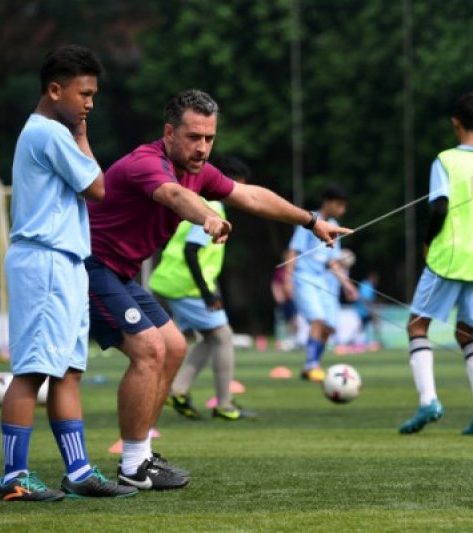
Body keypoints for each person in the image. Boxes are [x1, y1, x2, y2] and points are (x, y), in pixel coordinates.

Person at [86, 89, 349, 491]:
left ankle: (140, 458)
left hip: (121, 273)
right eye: (194, 137)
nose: (203, 147)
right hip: (90, 266)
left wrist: (312, 222)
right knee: (150, 349)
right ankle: (132, 463)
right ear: (169, 132)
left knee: (173, 347)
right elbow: (175, 195)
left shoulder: (199, 170)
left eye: (210, 138)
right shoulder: (147, 163)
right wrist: (208, 215)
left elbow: (250, 196)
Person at [0, 44, 136, 501]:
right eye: (84, 93)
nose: (89, 103)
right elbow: (97, 186)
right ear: (55, 90)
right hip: (45, 260)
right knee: (33, 370)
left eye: (93, 94)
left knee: (68, 370)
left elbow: (91, 181)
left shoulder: (54, 132)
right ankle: (14, 478)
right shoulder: (49, 134)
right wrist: (80, 131)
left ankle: (78, 471)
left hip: (66, 262)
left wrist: (78, 128)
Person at [400, 92, 473, 436]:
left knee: (417, 327)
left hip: (449, 256)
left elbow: (439, 207)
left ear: (454, 122)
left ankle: (428, 401)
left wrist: (427, 240)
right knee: (466, 333)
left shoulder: (446, 160)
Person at [149, 154, 259, 421]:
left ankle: (178, 390)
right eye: (239, 187)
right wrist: (206, 292)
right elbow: (190, 251)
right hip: (185, 285)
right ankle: (224, 404)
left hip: (172, 281)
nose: (240, 194)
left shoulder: (196, 202)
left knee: (212, 338)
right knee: (222, 336)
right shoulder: (213, 208)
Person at [284, 185, 358, 380]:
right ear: (327, 202)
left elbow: (332, 262)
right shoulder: (309, 221)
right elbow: (293, 250)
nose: (342, 210)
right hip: (305, 277)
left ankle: (312, 364)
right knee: (318, 320)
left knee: (330, 327)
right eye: (339, 205)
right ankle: (311, 366)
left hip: (325, 282)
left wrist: (347, 285)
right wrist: (287, 280)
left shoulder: (334, 225)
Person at [271, 253, 300, 351]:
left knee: (294, 321)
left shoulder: (298, 271)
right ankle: (280, 342)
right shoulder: (280, 271)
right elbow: (275, 285)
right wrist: (278, 296)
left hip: (294, 300)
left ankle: (292, 341)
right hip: (283, 300)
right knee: (281, 322)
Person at [354, 271, 382, 350]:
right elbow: (365, 299)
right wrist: (371, 309)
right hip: (364, 310)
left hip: (365, 310)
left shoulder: (368, 285)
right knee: (372, 324)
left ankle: (374, 342)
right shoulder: (366, 285)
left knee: (365, 326)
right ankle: (375, 342)